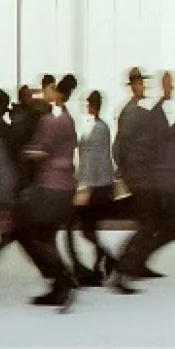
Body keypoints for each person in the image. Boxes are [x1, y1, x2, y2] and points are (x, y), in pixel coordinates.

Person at [111, 71, 175, 293]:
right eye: (139, 83)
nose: (142, 86)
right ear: (132, 85)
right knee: (149, 224)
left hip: (143, 177)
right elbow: (123, 147)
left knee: (152, 223)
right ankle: (123, 267)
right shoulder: (131, 113)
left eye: (143, 83)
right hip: (141, 178)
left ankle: (131, 264)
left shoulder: (136, 112)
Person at [14, 74, 79, 312]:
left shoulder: (51, 121)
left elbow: (39, 151)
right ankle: (60, 282)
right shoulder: (69, 119)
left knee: (27, 231)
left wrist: (25, 151)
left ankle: (61, 281)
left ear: (57, 94)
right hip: (65, 186)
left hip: (50, 186)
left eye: (49, 89)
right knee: (46, 235)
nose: (44, 92)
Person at [73, 89, 118, 285]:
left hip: (95, 186)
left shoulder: (94, 129)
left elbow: (91, 160)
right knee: (89, 228)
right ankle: (104, 260)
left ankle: (107, 259)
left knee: (87, 228)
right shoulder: (101, 127)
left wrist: (84, 187)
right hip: (102, 184)